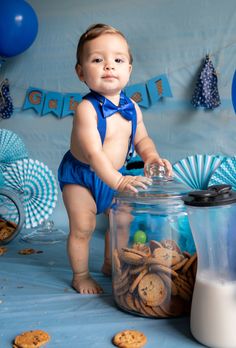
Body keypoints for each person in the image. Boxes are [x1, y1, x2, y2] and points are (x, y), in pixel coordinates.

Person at [58, 23, 172, 295]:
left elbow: (142, 139)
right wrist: (119, 180)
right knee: (83, 227)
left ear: (129, 70)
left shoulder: (131, 107)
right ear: (80, 72)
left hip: (116, 174)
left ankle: (112, 263)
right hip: (82, 176)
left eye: (118, 60)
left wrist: (151, 156)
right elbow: (94, 155)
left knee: (120, 222)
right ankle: (81, 275)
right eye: (97, 60)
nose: (109, 66)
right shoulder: (86, 109)